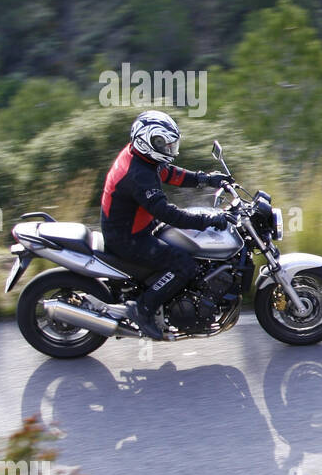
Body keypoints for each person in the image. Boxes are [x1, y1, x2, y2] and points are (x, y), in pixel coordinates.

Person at [100, 110, 233, 339]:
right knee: (184, 264)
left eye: (170, 144)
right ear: (147, 141)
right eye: (163, 144)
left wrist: (205, 178)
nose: (169, 149)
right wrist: (207, 220)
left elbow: (169, 173)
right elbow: (167, 213)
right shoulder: (138, 174)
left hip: (135, 228)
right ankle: (143, 309)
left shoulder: (141, 158)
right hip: (127, 239)